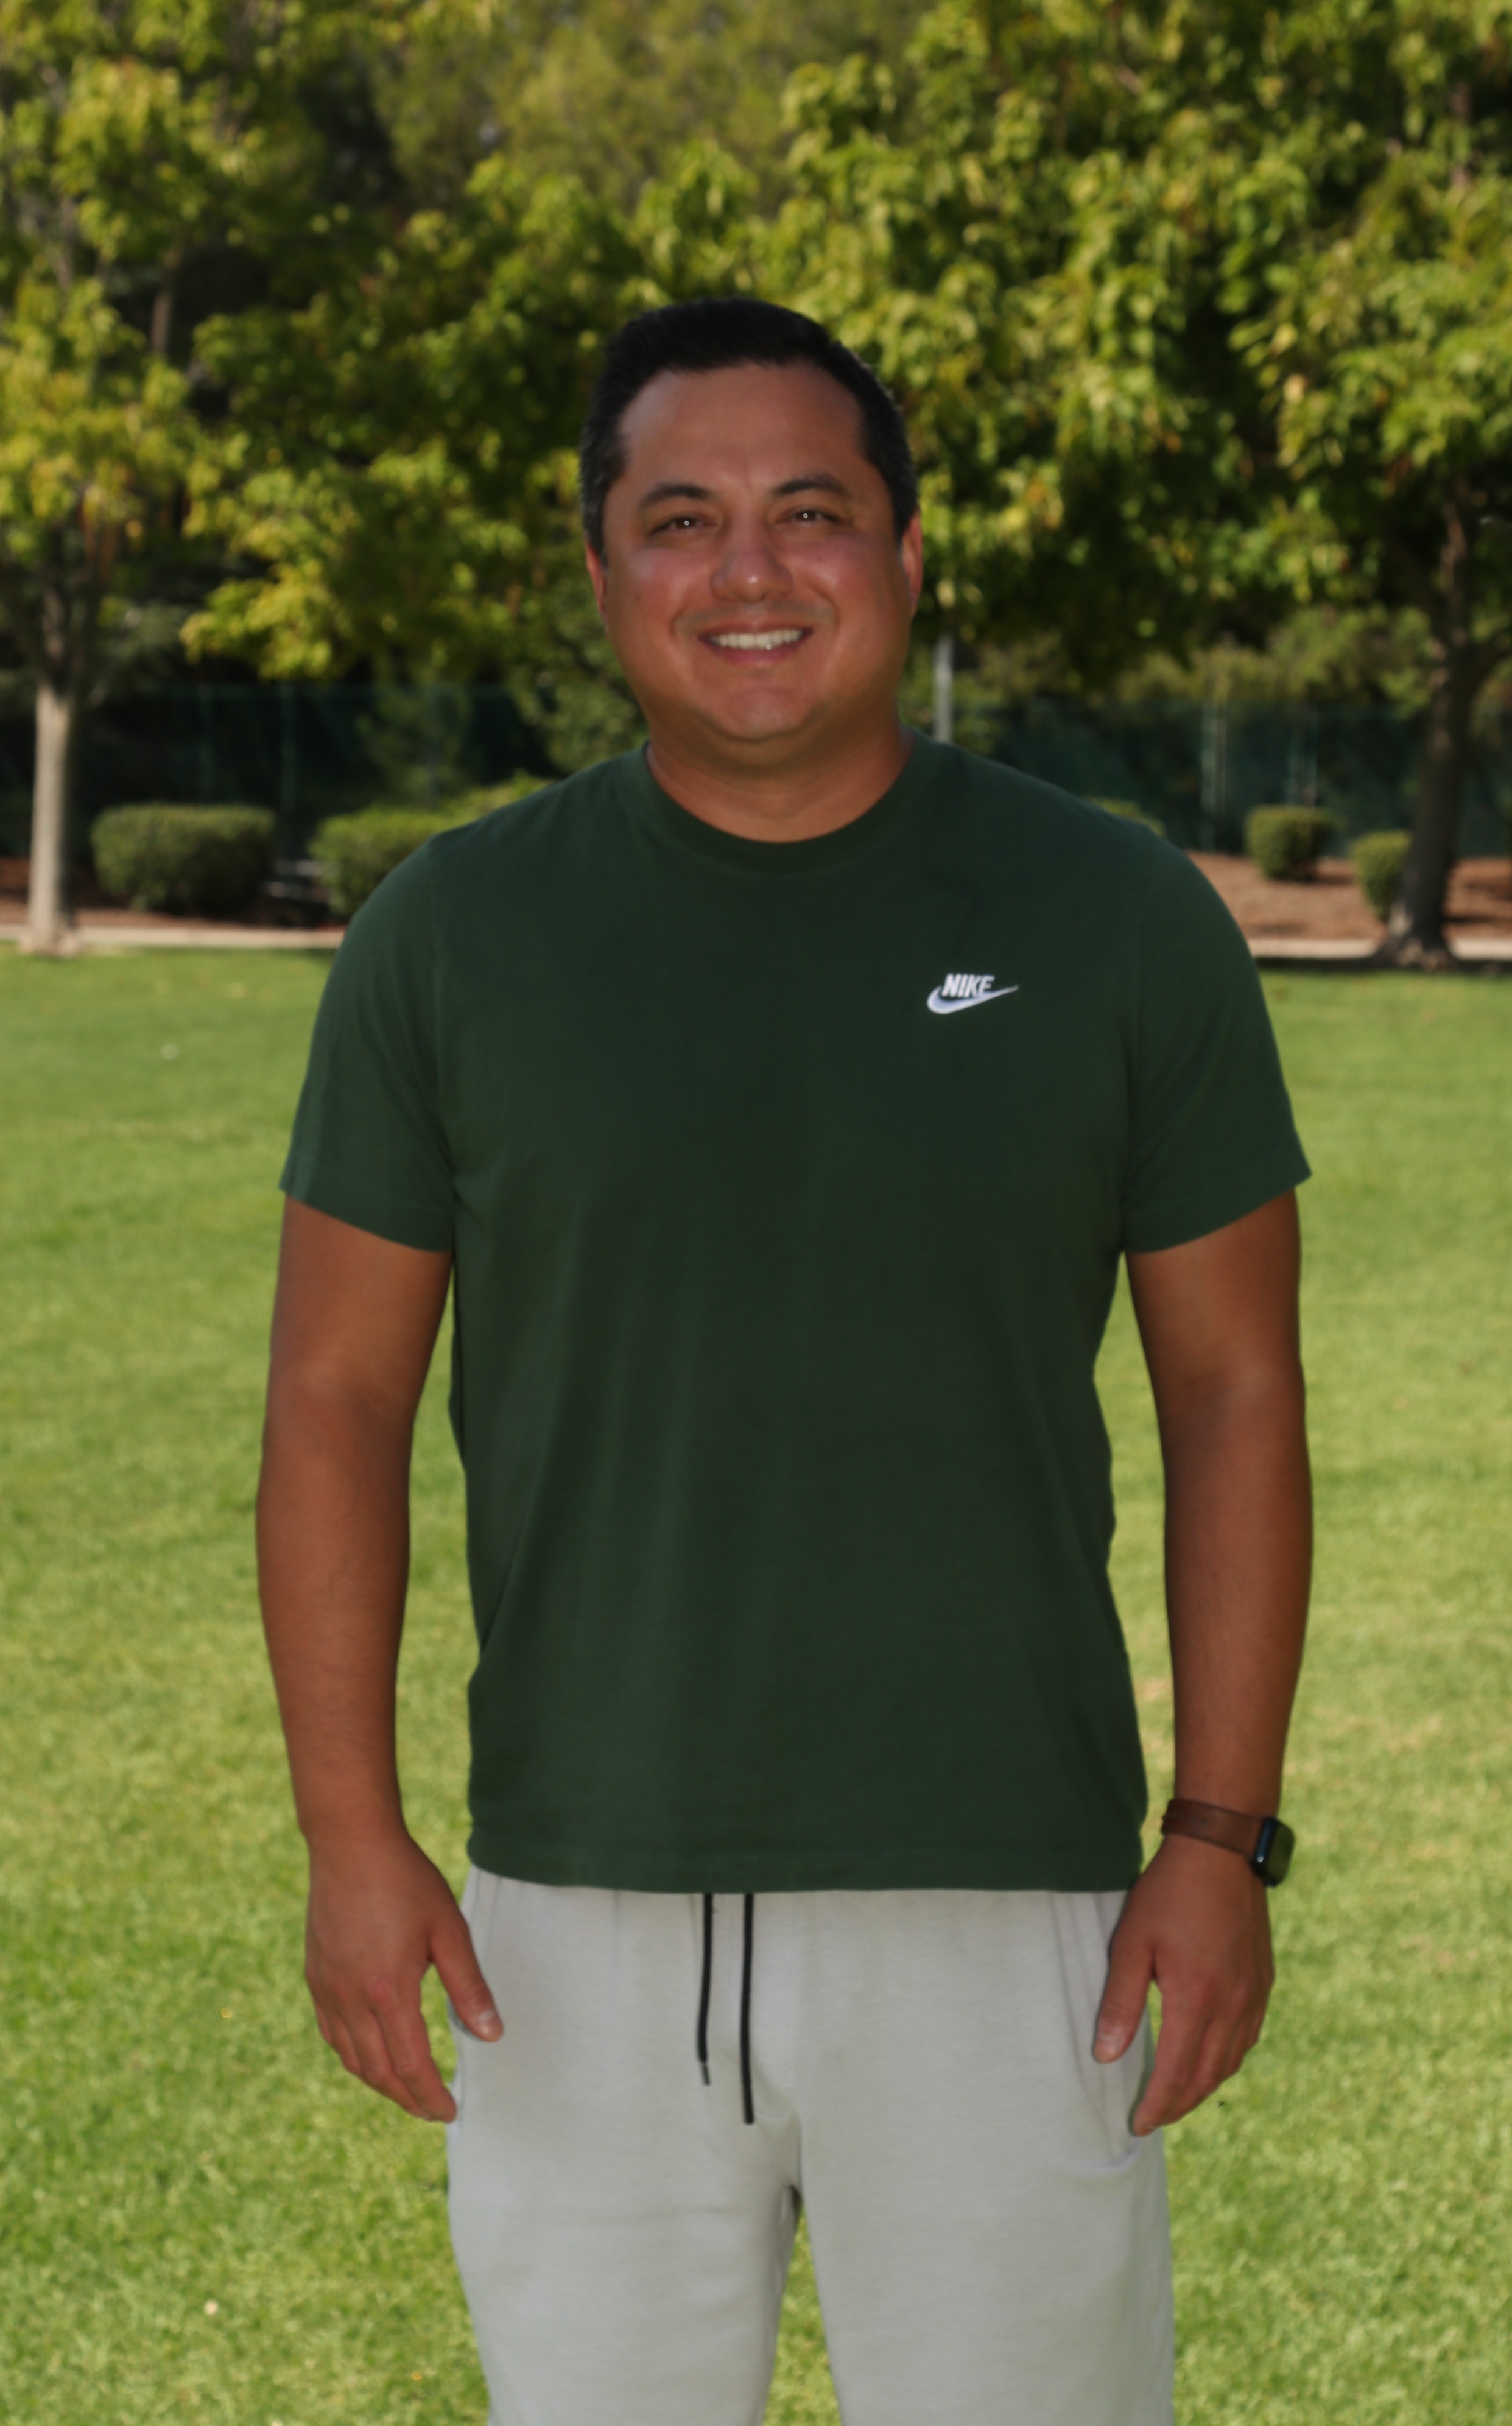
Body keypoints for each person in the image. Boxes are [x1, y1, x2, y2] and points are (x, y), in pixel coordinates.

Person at [259, 297, 1311, 2426]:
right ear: (600, 575)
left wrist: (1220, 1834)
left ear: (908, 556)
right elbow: (335, 1406)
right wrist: (351, 1839)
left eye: (810, 512)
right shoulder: (450, 939)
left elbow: (1236, 1396)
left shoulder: (1118, 918)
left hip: (1010, 1905)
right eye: (682, 520)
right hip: (574, 1917)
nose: (750, 572)